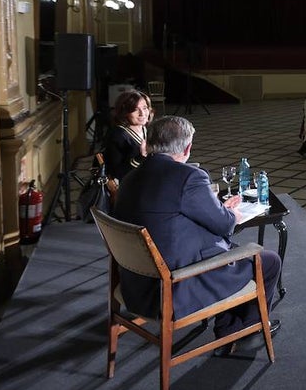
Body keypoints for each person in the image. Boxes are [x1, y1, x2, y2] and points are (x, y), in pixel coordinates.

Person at [113, 116, 282, 354]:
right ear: (187, 147)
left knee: (226, 250)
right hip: (174, 288)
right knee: (268, 261)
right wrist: (230, 212)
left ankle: (228, 324)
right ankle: (245, 331)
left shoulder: (129, 179)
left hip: (135, 286)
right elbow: (223, 224)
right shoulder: (189, 177)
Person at [103, 90, 153, 182]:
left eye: (145, 108)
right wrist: (140, 157)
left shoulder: (145, 129)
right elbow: (116, 173)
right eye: (135, 109)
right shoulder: (118, 135)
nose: (142, 113)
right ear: (124, 112)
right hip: (127, 186)